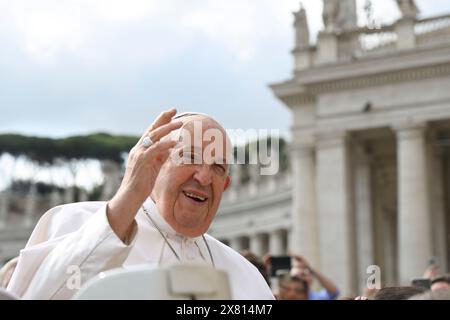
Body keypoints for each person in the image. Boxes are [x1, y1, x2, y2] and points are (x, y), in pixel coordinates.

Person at [6, 109, 274, 300]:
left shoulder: (247, 276)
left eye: (217, 167)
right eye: (190, 156)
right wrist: (127, 199)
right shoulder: (76, 221)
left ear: (225, 185)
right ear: (153, 164)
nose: (204, 177)